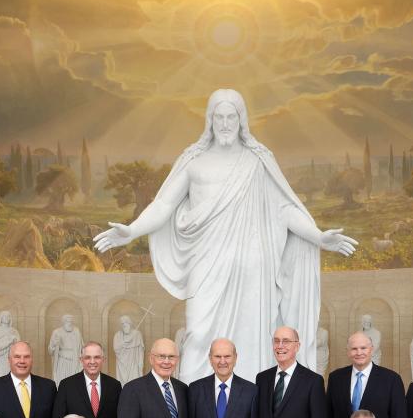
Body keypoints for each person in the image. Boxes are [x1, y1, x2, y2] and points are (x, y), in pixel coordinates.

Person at [94, 88, 357, 383]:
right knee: (198, 334)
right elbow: (164, 204)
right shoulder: (194, 161)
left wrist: (319, 237)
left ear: (242, 120)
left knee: (252, 335)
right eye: (219, 117)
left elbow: (284, 208)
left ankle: (251, 407)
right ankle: (197, 407)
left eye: (231, 116)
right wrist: (131, 231)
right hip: (206, 265)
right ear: (210, 120)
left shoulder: (257, 161)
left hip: (253, 269)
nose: (225, 123)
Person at [326, 332, 407, 418]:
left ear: (371, 349)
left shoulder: (391, 379)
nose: (359, 352)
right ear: (348, 351)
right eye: (354, 349)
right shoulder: (336, 378)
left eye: (363, 348)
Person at [48, 314, 84, 385]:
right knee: (61, 382)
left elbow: (82, 346)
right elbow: (50, 351)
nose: (70, 323)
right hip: (62, 361)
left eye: (71, 321)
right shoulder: (57, 332)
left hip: (75, 361)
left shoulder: (76, 331)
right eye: (67, 321)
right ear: (63, 322)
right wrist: (54, 344)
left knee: (74, 382)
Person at [113, 315, 144, 384]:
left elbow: (140, 349)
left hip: (134, 361)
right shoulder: (118, 335)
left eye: (126, 323)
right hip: (122, 363)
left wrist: (140, 361)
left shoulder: (137, 334)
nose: (124, 325)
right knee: (122, 382)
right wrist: (125, 343)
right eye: (122, 324)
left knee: (134, 379)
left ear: (130, 324)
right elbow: (116, 348)